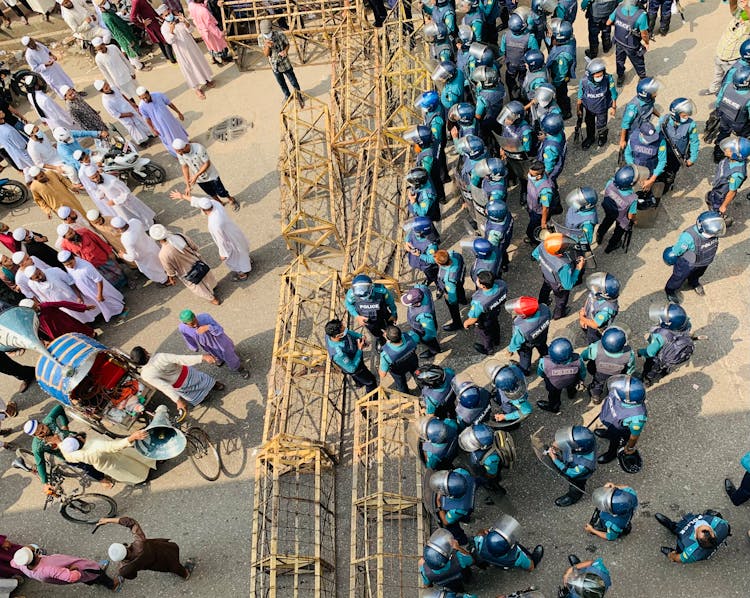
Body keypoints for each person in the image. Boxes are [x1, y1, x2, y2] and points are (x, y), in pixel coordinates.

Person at [23, 408, 109, 492]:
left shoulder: (49, 421)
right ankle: (101, 479)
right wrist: (45, 483)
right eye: (40, 433)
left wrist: (65, 425)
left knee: (95, 449)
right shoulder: (37, 447)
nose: (44, 431)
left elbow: (59, 408)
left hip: (76, 440)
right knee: (86, 466)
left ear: (42, 423)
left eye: (42, 427)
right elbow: (40, 463)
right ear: (35, 435)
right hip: (67, 455)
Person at [172, 193, 252, 280]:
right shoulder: (215, 203)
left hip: (229, 240)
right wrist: (182, 196)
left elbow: (221, 240)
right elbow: (198, 201)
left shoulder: (214, 223)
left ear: (203, 209)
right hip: (234, 232)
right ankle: (248, 262)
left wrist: (223, 253)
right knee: (242, 249)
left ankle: (242, 275)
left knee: (234, 259)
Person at [130, 346, 224, 417]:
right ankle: (215, 385)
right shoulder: (161, 357)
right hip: (188, 373)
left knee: (192, 394)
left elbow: (164, 387)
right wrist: (202, 357)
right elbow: (181, 359)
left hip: (179, 386)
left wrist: (178, 401)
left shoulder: (145, 375)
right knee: (203, 379)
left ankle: (204, 397)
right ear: (145, 352)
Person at [97, 517, 195, 581]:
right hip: (164, 550)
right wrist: (109, 520)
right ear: (125, 546)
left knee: (169, 567)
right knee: (174, 564)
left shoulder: (123, 569)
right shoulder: (140, 543)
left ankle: (181, 572)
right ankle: (185, 573)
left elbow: (132, 576)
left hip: (155, 565)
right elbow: (131, 523)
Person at [663, 211, 726, 303]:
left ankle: (693, 282)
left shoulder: (714, 231)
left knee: (698, 274)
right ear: (702, 227)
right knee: (678, 277)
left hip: (704, 261)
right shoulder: (688, 237)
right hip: (688, 263)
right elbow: (677, 250)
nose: (715, 233)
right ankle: (670, 290)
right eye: (712, 232)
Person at [149, 224, 219, 303]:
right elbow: (194, 247)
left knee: (198, 287)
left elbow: (170, 270)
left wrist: (171, 278)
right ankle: (213, 286)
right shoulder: (179, 236)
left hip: (186, 272)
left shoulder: (163, 254)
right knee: (207, 276)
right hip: (198, 262)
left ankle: (212, 299)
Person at [159, 4, 215, 99]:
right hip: (181, 51)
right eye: (165, 15)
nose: (168, 15)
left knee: (199, 62)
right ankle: (196, 89)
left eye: (169, 13)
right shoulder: (164, 28)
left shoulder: (179, 18)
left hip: (191, 46)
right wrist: (171, 31)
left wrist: (185, 23)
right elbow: (169, 41)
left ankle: (206, 80)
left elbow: (191, 30)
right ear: (162, 17)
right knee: (189, 68)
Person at [594, 374, 647, 468]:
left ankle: (611, 454)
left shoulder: (637, 418)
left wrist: (629, 447)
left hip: (620, 430)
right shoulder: (621, 390)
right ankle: (608, 433)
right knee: (611, 430)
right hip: (612, 420)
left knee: (615, 441)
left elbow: (634, 436)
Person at [10, 545, 121, 590]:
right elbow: (73, 577)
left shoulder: (21, 565)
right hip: (81, 570)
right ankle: (112, 585)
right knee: (96, 574)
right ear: (34, 555)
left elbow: (12, 563)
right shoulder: (48, 569)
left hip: (76, 573)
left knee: (88, 580)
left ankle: (96, 580)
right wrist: (75, 570)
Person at [57, 250, 125, 322]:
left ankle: (122, 309)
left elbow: (98, 280)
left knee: (109, 299)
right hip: (89, 291)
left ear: (73, 258)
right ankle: (112, 313)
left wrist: (99, 294)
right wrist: (79, 295)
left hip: (98, 289)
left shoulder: (86, 267)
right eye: (66, 265)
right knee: (102, 304)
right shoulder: (69, 266)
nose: (70, 266)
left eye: (70, 263)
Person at [173, 138, 239, 211]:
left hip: (211, 175)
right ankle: (220, 203)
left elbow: (207, 163)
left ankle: (231, 199)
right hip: (199, 179)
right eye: (176, 151)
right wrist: (188, 185)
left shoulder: (198, 148)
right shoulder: (180, 153)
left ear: (184, 147)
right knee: (211, 193)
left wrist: (196, 175)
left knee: (221, 192)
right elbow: (185, 167)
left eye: (179, 151)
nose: (178, 153)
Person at [700, 0, 750, 97]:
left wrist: (746, 7)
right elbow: (733, 7)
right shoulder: (738, 16)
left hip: (733, 61)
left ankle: (722, 101)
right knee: (717, 75)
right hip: (720, 54)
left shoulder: (748, 26)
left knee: (729, 84)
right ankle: (713, 89)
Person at [532, 233, 585, 320]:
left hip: (547, 275)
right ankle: (558, 314)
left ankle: (542, 302)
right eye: (564, 247)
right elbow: (568, 286)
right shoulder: (564, 265)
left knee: (545, 289)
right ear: (559, 254)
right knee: (561, 300)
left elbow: (535, 254)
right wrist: (578, 268)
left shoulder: (544, 244)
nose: (567, 245)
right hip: (557, 284)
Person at [639, 302, 694, 386]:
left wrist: (641, 352)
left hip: (660, 358)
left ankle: (647, 379)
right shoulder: (686, 325)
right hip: (674, 353)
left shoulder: (661, 336)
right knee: (664, 365)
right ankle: (664, 371)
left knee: (651, 367)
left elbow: (650, 352)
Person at [178, 310, 246, 377]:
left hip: (220, 341)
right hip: (207, 346)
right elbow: (187, 338)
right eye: (192, 324)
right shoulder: (182, 328)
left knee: (229, 355)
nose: (195, 324)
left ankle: (239, 368)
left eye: (195, 320)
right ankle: (220, 360)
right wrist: (194, 347)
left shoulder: (205, 317)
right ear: (185, 324)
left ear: (195, 316)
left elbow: (220, 329)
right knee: (215, 355)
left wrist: (208, 327)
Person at [58, 224, 127, 289]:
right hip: (91, 265)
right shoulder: (65, 245)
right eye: (70, 234)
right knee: (106, 278)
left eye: (72, 230)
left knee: (117, 270)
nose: (73, 233)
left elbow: (99, 241)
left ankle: (128, 282)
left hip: (103, 257)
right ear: (65, 237)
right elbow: (72, 258)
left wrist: (109, 252)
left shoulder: (85, 232)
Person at [85, 166, 155, 227]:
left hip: (127, 202)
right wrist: (102, 194)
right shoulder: (98, 181)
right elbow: (103, 188)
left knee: (139, 214)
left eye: (96, 176)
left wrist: (115, 201)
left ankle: (149, 225)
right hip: (118, 206)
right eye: (93, 178)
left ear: (98, 172)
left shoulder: (112, 180)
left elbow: (126, 191)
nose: (96, 179)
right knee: (128, 217)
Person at [26, 265, 100, 323]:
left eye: (39, 273)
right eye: (37, 277)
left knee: (89, 311)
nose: (40, 276)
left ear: (39, 269)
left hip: (72, 297)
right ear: (32, 279)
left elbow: (70, 282)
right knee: (76, 318)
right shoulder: (32, 284)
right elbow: (42, 296)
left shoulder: (54, 271)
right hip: (59, 304)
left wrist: (79, 296)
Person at [581, 326, 635, 403]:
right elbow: (631, 367)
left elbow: (584, 355)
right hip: (617, 374)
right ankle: (612, 394)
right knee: (615, 384)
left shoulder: (596, 347)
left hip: (599, 372)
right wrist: (629, 374)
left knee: (598, 383)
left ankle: (596, 395)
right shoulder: (628, 354)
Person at [547, 425, 597, 507]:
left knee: (576, 486)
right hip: (573, 459)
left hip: (578, 476)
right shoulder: (586, 439)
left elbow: (571, 473)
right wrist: (559, 444)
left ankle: (573, 497)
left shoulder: (584, 465)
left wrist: (555, 459)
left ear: (578, 449)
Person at [654, 510, 731, 564]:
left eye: (698, 528)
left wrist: (671, 555)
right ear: (713, 533)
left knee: (680, 542)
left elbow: (678, 558)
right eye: (705, 525)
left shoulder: (691, 554)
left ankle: (672, 527)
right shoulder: (723, 525)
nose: (700, 523)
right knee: (711, 513)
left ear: (694, 537)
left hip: (684, 531)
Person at [472, 515, 543, 571]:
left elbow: (480, 533)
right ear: (510, 548)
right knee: (532, 563)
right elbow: (531, 567)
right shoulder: (517, 556)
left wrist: (484, 531)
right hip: (506, 562)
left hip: (490, 559)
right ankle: (535, 559)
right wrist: (532, 564)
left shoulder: (479, 542)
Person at [324, 319, 378, 394]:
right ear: (338, 336)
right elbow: (352, 368)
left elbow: (349, 333)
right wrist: (359, 349)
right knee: (370, 382)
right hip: (355, 366)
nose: (346, 330)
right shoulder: (338, 354)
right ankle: (373, 399)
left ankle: (359, 383)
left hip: (354, 355)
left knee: (359, 378)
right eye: (344, 331)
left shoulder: (329, 334)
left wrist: (360, 336)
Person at [344, 274, 397, 349]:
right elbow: (348, 304)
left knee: (390, 328)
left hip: (383, 314)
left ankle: (394, 340)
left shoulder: (381, 291)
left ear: (371, 287)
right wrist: (357, 316)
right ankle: (381, 340)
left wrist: (394, 314)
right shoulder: (352, 294)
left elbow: (391, 303)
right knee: (375, 331)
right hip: (367, 319)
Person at [657, 98, 699, 193]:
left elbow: (694, 142)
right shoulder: (664, 120)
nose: (687, 117)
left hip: (677, 156)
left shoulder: (691, 124)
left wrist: (692, 158)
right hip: (662, 152)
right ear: (675, 114)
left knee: (671, 173)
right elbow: (655, 135)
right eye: (684, 115)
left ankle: (667, 186)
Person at [707, 136, 750, 225]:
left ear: (736, 155)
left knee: (717, 205)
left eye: (729, 150)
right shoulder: (732, 159)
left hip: (722, 192)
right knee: (713, 196)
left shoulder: (737, 174)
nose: (726, 149)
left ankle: (718, 219)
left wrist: (724, 206)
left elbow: (732, 192)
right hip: (719, 185)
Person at [259, 20, 303, 106]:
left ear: (272, 29)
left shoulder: (280, 34)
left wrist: (285, 51)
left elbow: (287, 44)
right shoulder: (261, 38)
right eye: (265, 33)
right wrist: (267, 46)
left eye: (268, 33)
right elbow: (266, 54)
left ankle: (299, 96)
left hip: (285, 63)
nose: (267, 35)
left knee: (293, 81)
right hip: (274, 65)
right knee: (281, 83)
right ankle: (287, 95)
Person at [458, 423, 507, 500]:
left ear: (484, 447)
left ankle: (499, 494)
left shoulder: (490, 459)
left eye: (473, 443)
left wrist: (484, 478)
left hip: (487, 472)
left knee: (491, 483)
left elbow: (492, 474)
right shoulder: (482, 437)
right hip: (480, 466)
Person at [596, 165, 639, 253]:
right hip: (621, 217)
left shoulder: (610, 183)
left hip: (609, 209)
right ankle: (611, 246)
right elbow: (631, 216)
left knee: (606, 221)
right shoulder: (633, 198)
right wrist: (635, 221)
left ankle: (599, 235)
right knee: (618, 232)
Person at [624, 121, 667, 208]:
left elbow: (662, 161)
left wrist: (651, 180)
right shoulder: (633, 138)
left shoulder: (660, 141)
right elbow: (627, 154)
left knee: (647, 188)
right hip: (636, 168)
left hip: (650, 169)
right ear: (641, 134)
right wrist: (633, 169)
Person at [536, 336, 585, 414]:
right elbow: (582, 372)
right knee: (572, 388)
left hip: (554, 385)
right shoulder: (578, 360)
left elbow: (540, 372)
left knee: (554, 395)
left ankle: (554, 406)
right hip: (571, 381)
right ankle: (571, 395)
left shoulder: (544, 362)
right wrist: (582, 379)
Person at [463, 271, 507, 356]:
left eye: (478, 281)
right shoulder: (502, 284)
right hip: (495, 311)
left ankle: (488, 349)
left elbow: (473, 318)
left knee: (485, 334)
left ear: (483, 286)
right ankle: (497, 340)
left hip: (484, 320)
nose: (476, 281)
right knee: (495, 325)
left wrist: (466, 323)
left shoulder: (478, 302)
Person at [113, 217, 168, 284]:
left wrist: (123, 255)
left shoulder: (125, 239)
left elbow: (132, 257)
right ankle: (169, 271)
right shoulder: (134, 221)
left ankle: (164, 280)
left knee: (154, 269)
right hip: (151, 246)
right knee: (161, 260)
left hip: (144, 256)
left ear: (119, 229)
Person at [429, 468, 476, 545]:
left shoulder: (457, 509)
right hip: (469, 496)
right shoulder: (462, 472)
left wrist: (439, 505)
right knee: (466, 513)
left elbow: (445, 521)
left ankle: (462, 540)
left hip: (463, 508)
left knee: (452, 527)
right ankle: (466, 518)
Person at [503, 296, 550, 375]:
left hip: (527, 345)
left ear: (524, 316)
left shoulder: (522, 328)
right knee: (543, 348)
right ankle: (547, 359)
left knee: (525, 358)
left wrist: (510, 350)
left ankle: (525, 370)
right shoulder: (545, 309)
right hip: (542, 337)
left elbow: (516, 342)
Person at [96, 81, 152, 146]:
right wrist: (127, 114)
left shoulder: (114, 88)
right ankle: (142, 142)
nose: (108, 88)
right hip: (124, 116)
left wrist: (132, 103)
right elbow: (114, 114)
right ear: (102, 91)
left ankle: (149, 134)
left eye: (107, 85)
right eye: (106, 88)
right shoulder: (106, 102)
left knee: (140, 121)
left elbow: (122, 95)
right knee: (133, 129)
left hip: (129, 108)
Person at [578, 58, 618, 150]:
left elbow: (613, 93)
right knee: (589, 123)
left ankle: (602, 137)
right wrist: (578, 109)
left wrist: (614, 107)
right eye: (597, 75)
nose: (600, 77)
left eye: (601, 74)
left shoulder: (608, 79)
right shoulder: (584, 81)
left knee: (601, 124)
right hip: (589, 108)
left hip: (602, 108)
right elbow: (580, 95)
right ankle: (590, 138)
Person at [607, 0, 649, 86]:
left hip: (619, 41)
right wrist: (647, 43)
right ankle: (642, 78)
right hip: (632, 45)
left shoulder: (618, 8)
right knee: (638, 61)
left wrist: (621, 25)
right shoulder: (641, 15)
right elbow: (644, 34)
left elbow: (608, 22)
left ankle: (620, 77)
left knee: (619, 60)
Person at [501, 11, 539, 101]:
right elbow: (536, 53)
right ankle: (524, 101)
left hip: (511, 66)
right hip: (524, 67)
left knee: (510, 83)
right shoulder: (530, 38)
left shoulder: (505, 36)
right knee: (524, 83)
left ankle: (514, 100)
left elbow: (502, 51)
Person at [137, 87, 187, 157]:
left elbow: (170, 104)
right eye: (142, 98)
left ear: (148, 93)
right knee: (168, 139)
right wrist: (153, 129)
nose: (145, 100)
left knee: (177, 132)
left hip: (170, 120)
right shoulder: (141, 106)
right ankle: (176, 154)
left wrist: (179, 112)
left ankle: (185, 145)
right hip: (160, 126)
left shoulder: (158, 95)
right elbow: (147, 119)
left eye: (146, 97)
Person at [19, 297, 95, 340]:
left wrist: (84, 307)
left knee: (79, 332)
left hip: (64, 323)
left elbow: (63, 303)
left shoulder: (46, 306)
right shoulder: (30, 318)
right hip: (53, 331)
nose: (36, 308)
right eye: (33, 309)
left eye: (34, 306)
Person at [96, 0, 145, 67]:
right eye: (104, 3)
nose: (107, 3)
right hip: (123, 36)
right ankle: (139, 66)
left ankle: (134, 64)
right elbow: (117, 31)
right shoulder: (107, 17)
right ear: (100, 6)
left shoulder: (109, 12)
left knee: (128, 49)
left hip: (125, 32)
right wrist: (127, 40)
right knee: (130, 49)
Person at [486, 360, 533, 426]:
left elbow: (527, 410)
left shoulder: (517, 399)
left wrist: (505, 417)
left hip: (510, 406)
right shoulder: (514, 369)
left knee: (509, 414)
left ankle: (513, 425)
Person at [93, 38, 140, 102]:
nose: (101, 50)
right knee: (128, 98)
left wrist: (132, 71)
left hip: (127, 74)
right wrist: (113, 85)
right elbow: (105, 73)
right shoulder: (98, 58)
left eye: (101, 48)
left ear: (104, 44)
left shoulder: (113, 47)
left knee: (139, 91)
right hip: (118, 81)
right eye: (98, 49)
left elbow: (124, 59)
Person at [578, 272, 621, 343]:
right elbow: (589, 298)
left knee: (594, 339)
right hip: (589, 318)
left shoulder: (606, 310)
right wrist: (584, 312)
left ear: (604, 294)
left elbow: (595, 324)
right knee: (587, 331)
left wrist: (582, 318)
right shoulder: (597, 291)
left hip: (597, 329)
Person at [546, 19, 576, 119]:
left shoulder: (562, 57)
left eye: (552, 36)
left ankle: (566, 112)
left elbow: (561, 74)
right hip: (562, 74)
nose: (550, 37)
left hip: (560, 79)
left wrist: (554, 84)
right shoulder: (569, 40)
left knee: (561, 95)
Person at [401, 285, 441, 359]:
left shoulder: (424, 315)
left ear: (418, 303)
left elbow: (430, 332)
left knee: (431, 342)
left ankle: (434, 350)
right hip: (417, 325)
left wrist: (426, 338)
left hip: (423, 329)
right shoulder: (421, 289)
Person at [378, 324, 420, 393]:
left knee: (401, 384)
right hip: (413, 363)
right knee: (418, 375)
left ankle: (407, 396)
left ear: (389, 340)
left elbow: (382, 374)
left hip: (398, 371)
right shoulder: (411, 337)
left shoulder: (386, 354)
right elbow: (417, 338)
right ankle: (423, 387)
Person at [434, 249, 467, 332]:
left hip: (452, 287)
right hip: (459, 280)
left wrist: (448, 297)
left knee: (453, 308)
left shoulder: (448, 279)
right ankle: (463, 300)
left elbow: (452, 298)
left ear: (440, 264)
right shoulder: (456, 255)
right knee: (460, 290)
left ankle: (457, 323)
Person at [188, 0, 230, 65]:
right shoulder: (203, 11)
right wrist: (220, 33)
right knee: (218, 45)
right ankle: (223, 59)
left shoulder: (191, 5)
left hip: (202, 29)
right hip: (210, 31)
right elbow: (210, 26)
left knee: (210, 45)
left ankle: (214, 59)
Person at [525, 160, 555, 244]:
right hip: (532, 206)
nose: (529, 175)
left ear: (538, 176)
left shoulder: (545, 190)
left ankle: (535, 241)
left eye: (531, 175)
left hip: (539, 213)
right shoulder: (534, 176)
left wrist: (543, 221)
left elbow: (545, 208)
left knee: (533, 227)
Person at [404, 217, 439, 285]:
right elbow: (408, 237)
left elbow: (432, 259)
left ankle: (439, 285)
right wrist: (406, 243)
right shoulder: (415, 231)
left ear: (421, 233)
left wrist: (420, 255)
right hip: (418, 262)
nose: (412, 230)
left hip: (427, 266)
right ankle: (429, 279)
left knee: (433, 275)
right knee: (428, 275)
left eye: (415, 230)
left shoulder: (431, 245)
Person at [482, 200, 513, 272]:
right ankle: (505, 264)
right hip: (506, 240)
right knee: (503, 251)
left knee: (498, 256)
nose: (486, 211)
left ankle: (500, 268)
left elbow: (491, 247)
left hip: (498, 245)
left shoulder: (494, 233)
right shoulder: (507, 214)